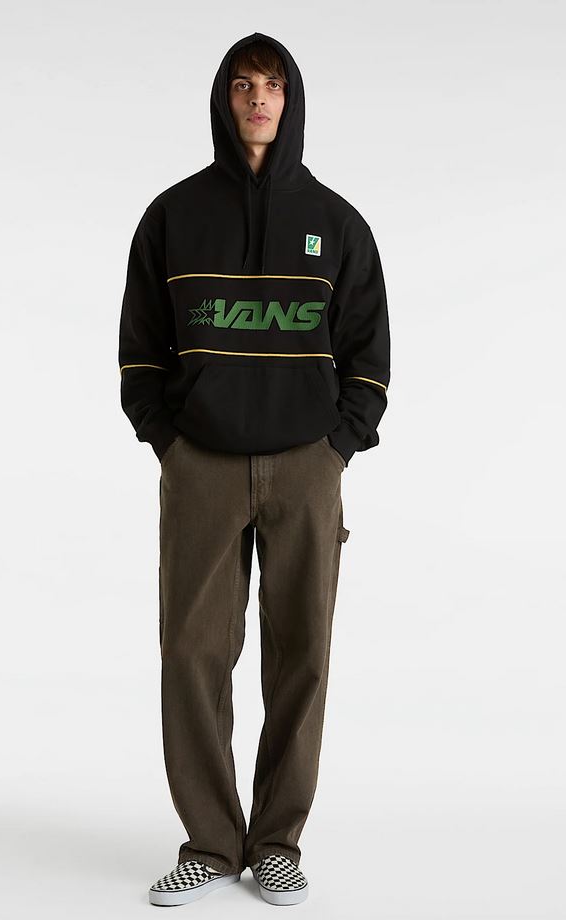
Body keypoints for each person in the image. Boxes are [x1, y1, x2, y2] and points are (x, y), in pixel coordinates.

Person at [118, 31, 391, 907]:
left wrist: (338, 446)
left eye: (271, 85)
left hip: (306, 464)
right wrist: (167, 440)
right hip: (199, 464)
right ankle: (209, 841)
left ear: (291, 99)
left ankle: (275, 844)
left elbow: (369, 355)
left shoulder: (336, 223)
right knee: (191, 654)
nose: (258, 99)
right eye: (242, 85)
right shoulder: (172, 216)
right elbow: (139, 350)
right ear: (223, 98)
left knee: (301, 654)